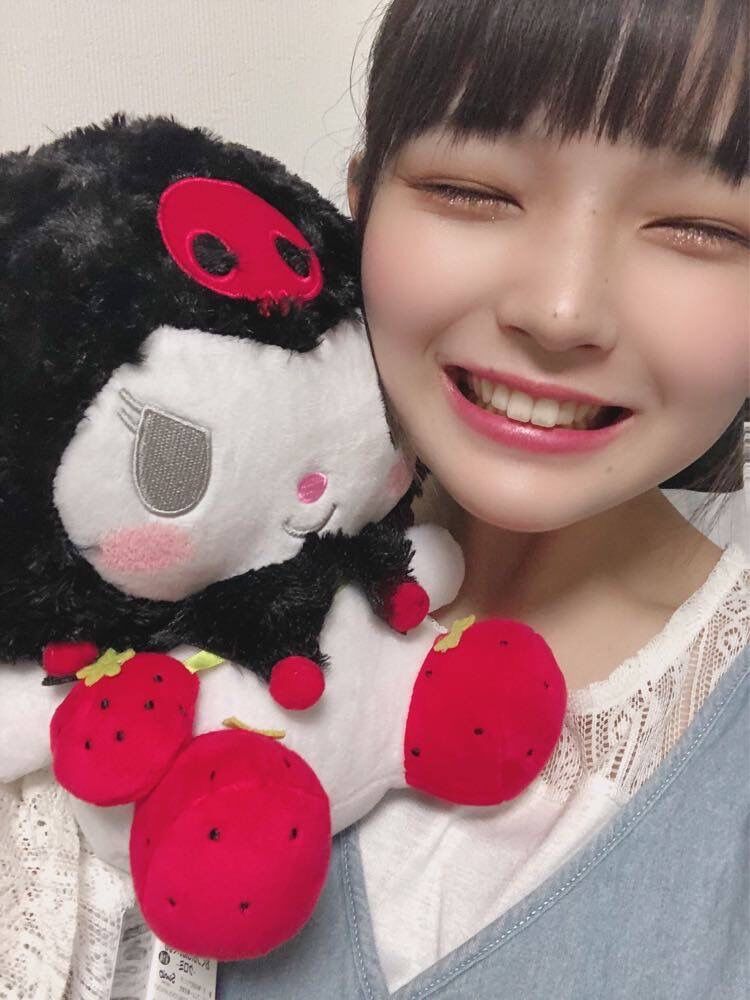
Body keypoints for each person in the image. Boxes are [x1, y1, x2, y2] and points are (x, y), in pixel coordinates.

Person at [217, 0, 749, 997]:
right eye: (472, 191)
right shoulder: (172, 571)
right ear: (359, 206)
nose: (560, 309)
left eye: (697, 228)